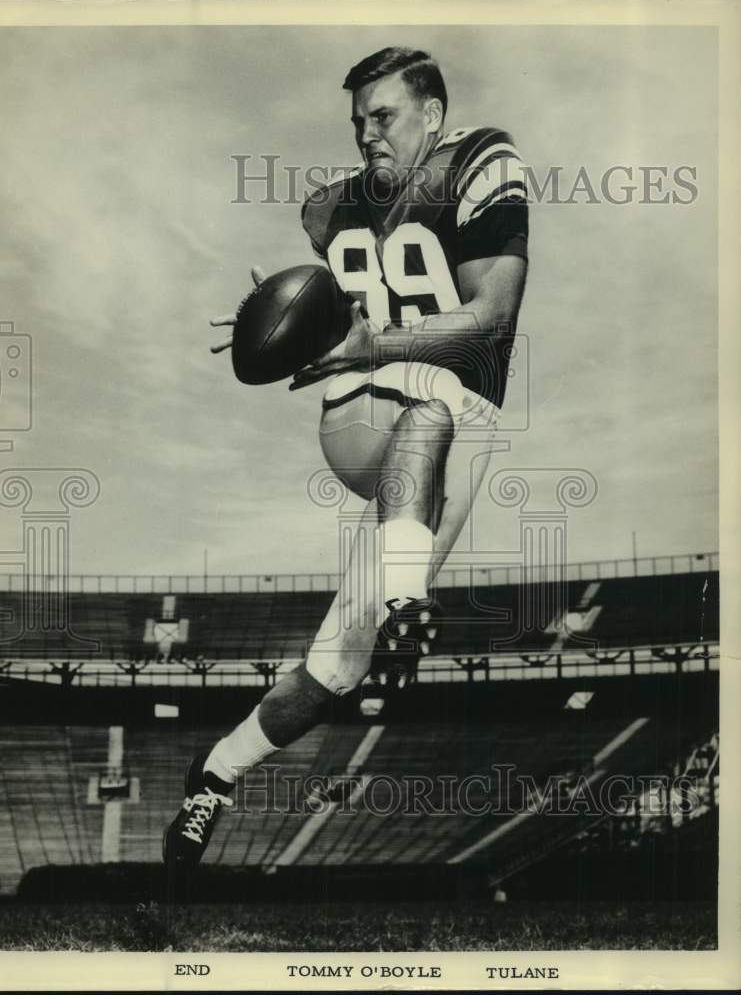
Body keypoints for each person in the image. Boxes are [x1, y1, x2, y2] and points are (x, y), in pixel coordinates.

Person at [163, 47, 529, 876]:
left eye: (383, 116)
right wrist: (288, 316)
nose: (366, 134)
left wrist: (375, 337)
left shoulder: (481, 162)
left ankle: (213, 775)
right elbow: (339, 317)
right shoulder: (330, 211)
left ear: (432, 115)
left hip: (457, 428)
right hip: (365, 410)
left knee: (333, 671)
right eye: (357, 121)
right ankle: (408, 604)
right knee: (426, 404)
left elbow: (493, 314)